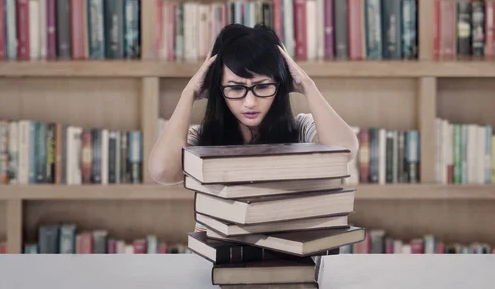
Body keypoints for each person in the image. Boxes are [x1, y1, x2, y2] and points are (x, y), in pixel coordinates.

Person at [147, 23, 359, 186]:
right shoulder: (202, 138)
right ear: (218, 89)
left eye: (263, 86)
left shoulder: (301, 129)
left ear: (280, 84)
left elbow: (345, 151)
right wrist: (189, 94)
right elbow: (162, 172)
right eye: (236, 88)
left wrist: (307, 85)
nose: (250, 102)